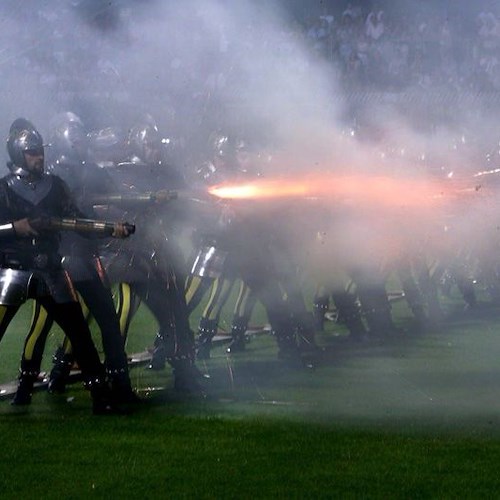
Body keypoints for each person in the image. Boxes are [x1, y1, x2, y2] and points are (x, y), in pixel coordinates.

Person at [0, 117, 130, 414]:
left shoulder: (55, 186)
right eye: (32, 152)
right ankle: (25, 388)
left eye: (39, 151)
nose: (38, 156)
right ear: (19, 154)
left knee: (80, 334)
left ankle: (100, 394)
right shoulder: (4, 189)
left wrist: (110, 228)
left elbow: (77, 220)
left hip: (50, 270)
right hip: (14, 270)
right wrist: (14, 228)